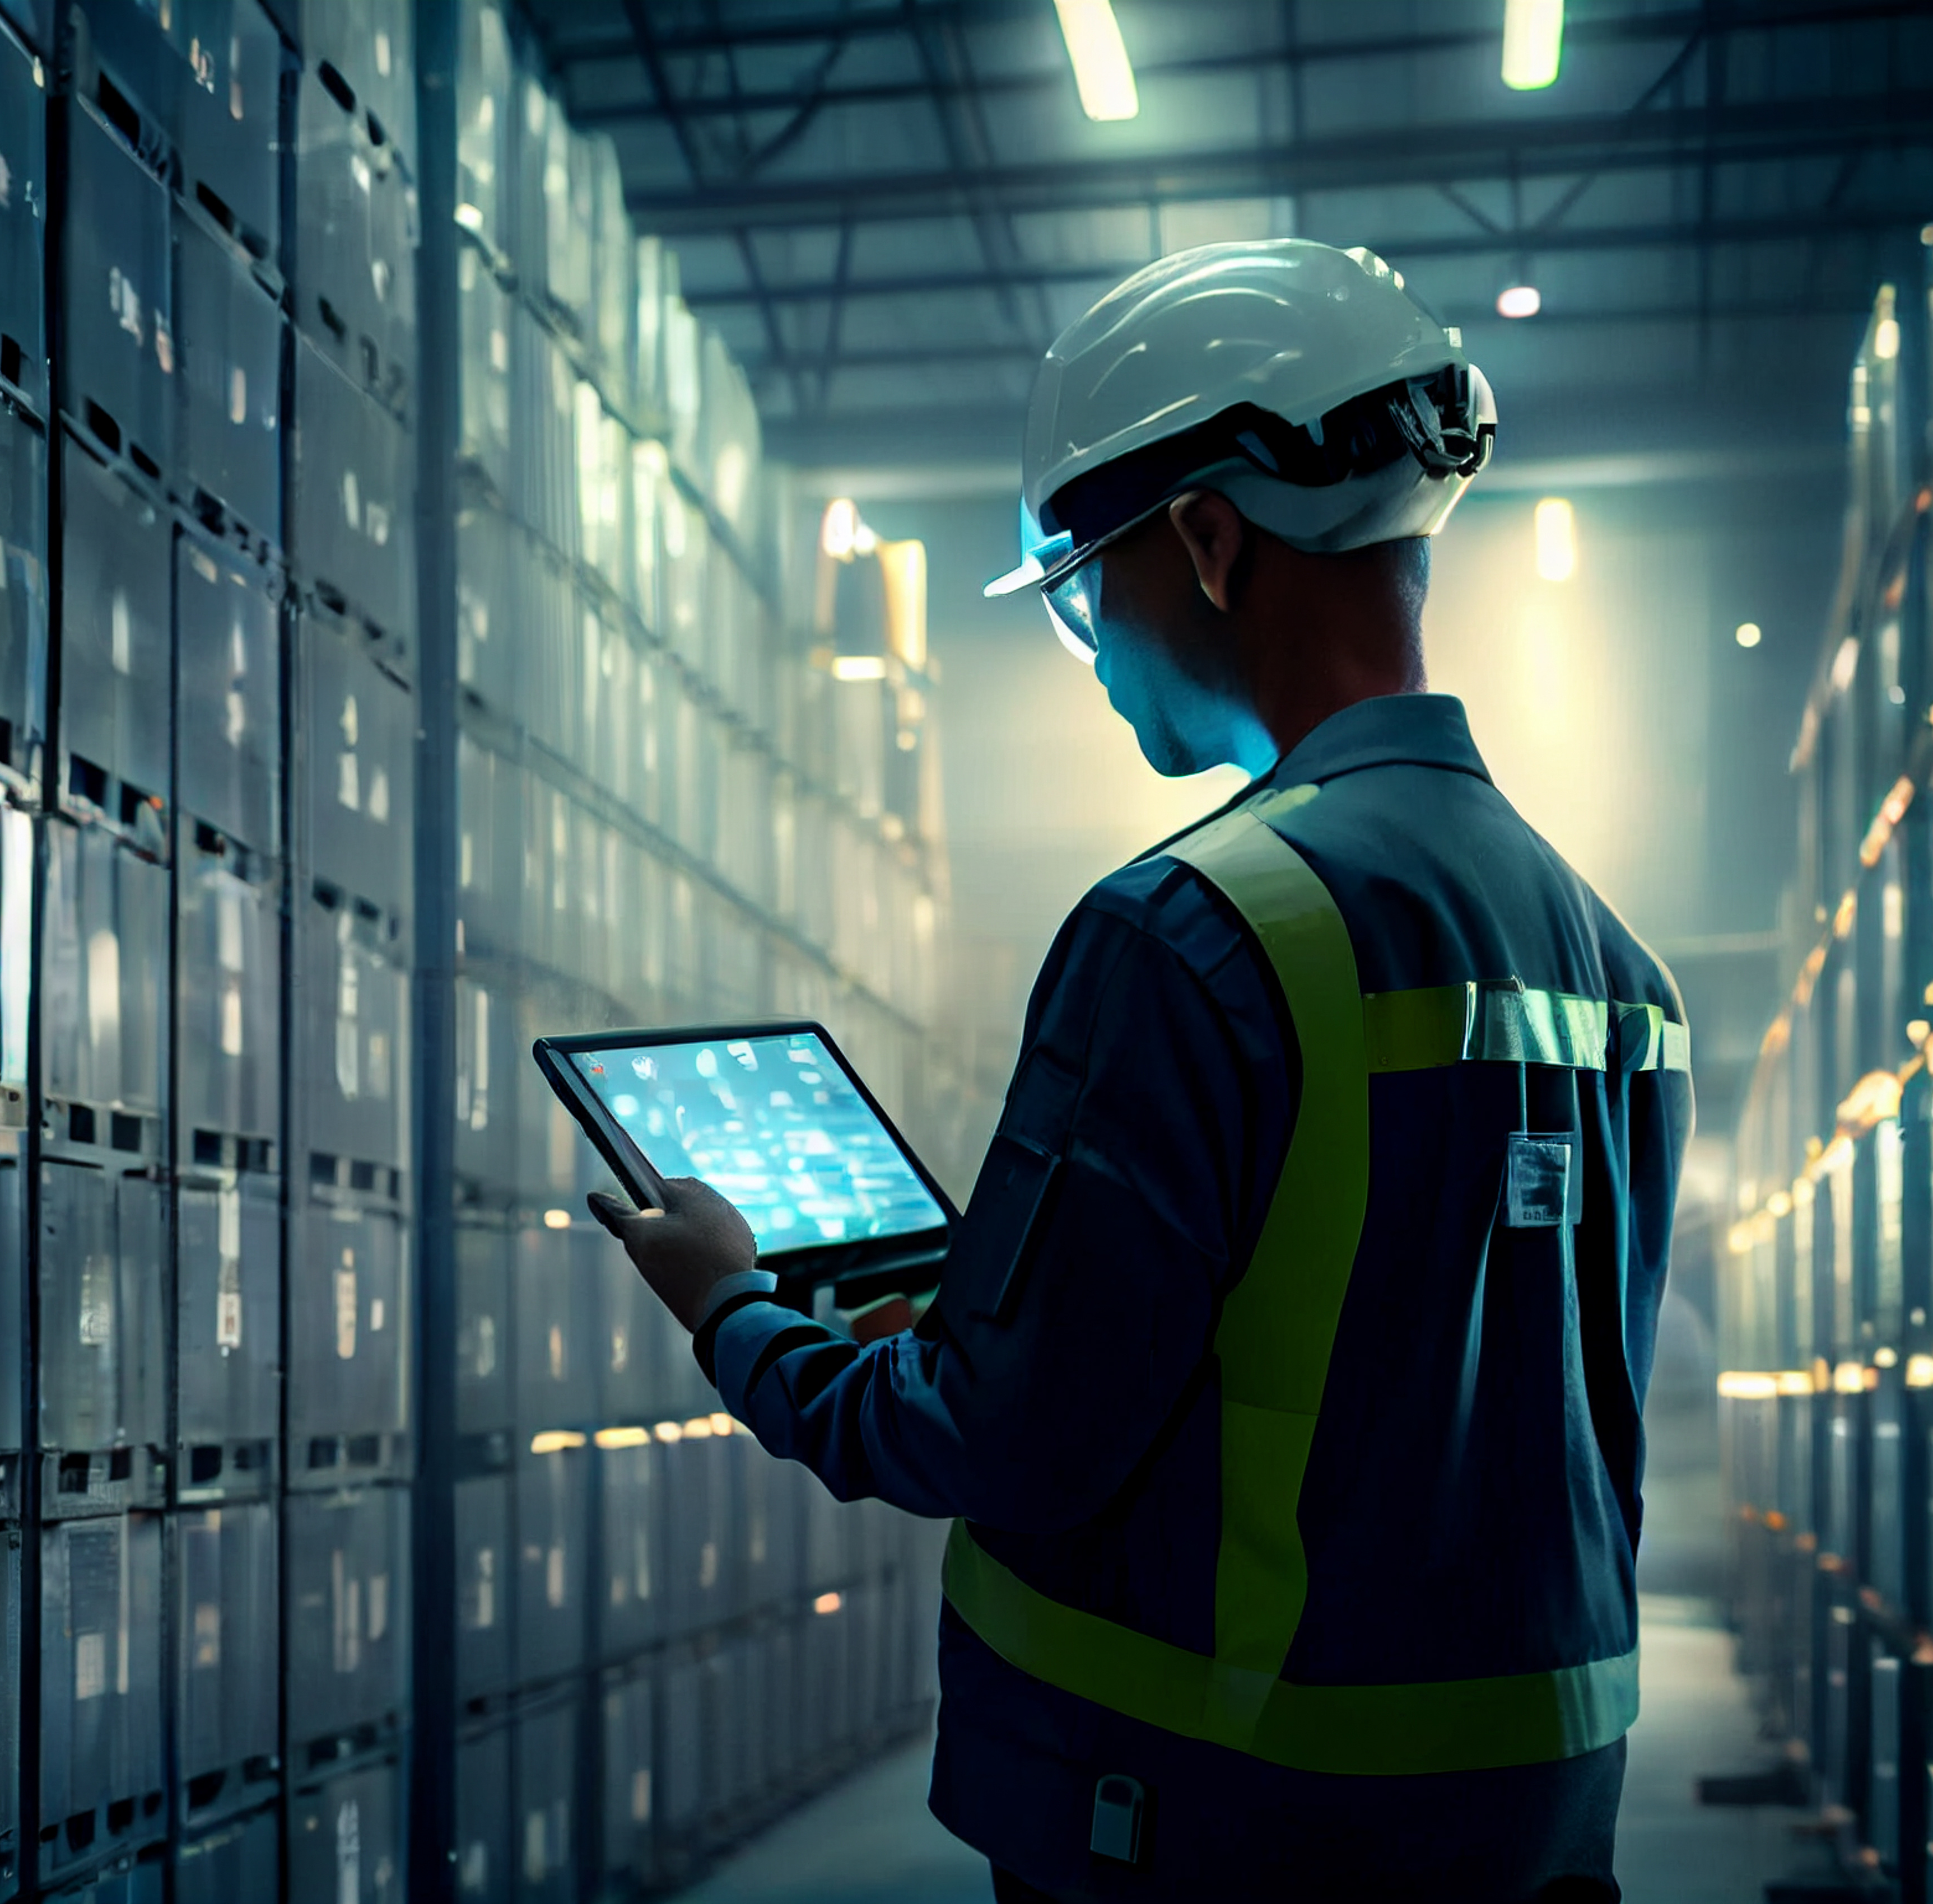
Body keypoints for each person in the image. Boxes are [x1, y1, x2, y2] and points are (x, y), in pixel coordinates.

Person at [589, 240, 1692, 1903]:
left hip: (1215, 1827)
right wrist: (1003, 1302)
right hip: (1529, 1827)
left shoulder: (1190, 931)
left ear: (1203, 539)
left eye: (1085, 584)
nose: (1096, 645)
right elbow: (1374, 1374)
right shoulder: (1613, 965)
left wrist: (731, 1313)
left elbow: (1006, 1443)